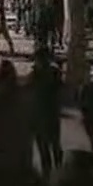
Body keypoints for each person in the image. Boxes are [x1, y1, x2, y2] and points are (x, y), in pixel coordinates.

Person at [29, 46, 64, 176]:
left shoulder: (48, 74)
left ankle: (55, 173)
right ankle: (50, 173)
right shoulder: (39, 74)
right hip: (43, 116)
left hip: (47, 115)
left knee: (52, 146)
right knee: (47, 147)